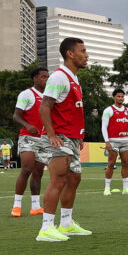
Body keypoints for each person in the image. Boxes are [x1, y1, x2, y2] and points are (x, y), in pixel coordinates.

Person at [35, 37, 91, 242]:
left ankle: (66, 224)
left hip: (73, 137)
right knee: (58, 179)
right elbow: (45, 106)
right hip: (60, 137)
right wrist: (51, 135)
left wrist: (79, 136)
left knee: (74, 179)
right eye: (83, 51)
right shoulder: (59, 77)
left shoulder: (74, 79)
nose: (86, 55)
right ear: (70, 54)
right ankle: (46, 228)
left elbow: (71, 111)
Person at [10, 67, 49, 217]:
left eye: (47, 76)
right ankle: (16, 206)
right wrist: (27, 125)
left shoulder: (49, 96)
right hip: (27, 137)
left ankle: (35, 207)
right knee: (26, 168)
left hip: (43, 139)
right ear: (35, 79)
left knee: (38, 173)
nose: (46, 79)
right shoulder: (26, 94)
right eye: (43, 76)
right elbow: (16, 115)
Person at [102, 89, 128, 196]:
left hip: (126, 141)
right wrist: (107, 141)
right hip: (113, 140)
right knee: (111, 164)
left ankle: (125, 188)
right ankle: (107, 188)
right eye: (118, 96)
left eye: (122, 96)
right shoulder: (108, 110)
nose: (120, 98)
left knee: (126, 163)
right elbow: (103, 127)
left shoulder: (127, 110)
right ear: (114, 97)